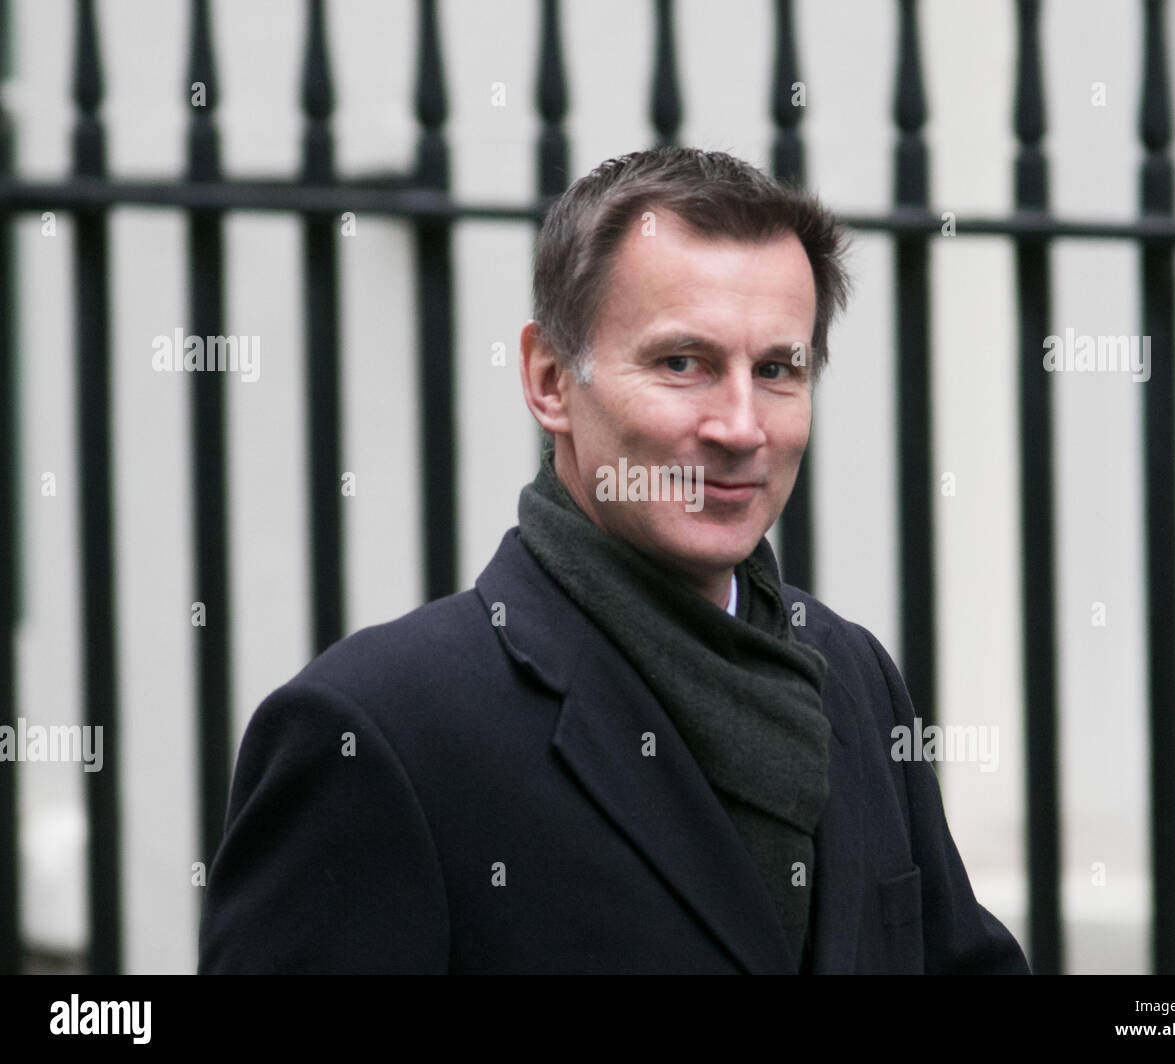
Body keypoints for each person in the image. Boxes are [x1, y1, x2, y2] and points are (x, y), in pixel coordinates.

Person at [198, 146, 1030, 974]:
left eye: (777, 369)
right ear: (550, 380)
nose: (741, 427)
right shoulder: (377, 729)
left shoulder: (852, 674)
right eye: (682, 364)